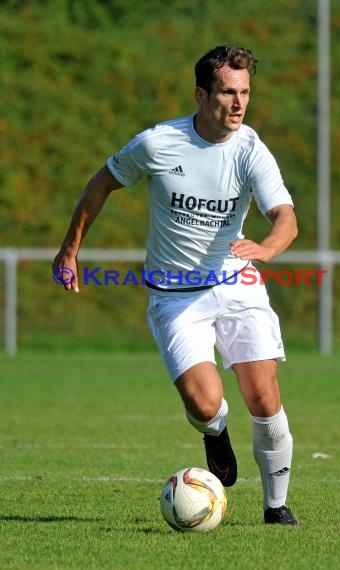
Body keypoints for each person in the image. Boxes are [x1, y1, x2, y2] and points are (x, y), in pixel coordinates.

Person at [53, 45, 300, 526]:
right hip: (174, 294)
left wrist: (268, 248)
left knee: (265, 397)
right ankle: (215, 431)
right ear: (201, 94)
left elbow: (285, 217)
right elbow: (101, 184)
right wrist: (69, 248)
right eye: (228, 91)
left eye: (245, 92)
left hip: (237, 280)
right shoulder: (157, 143)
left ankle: (276, 507)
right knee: (205, 403)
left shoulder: (250, 149)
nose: (238, 103)